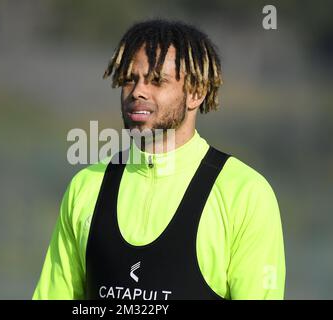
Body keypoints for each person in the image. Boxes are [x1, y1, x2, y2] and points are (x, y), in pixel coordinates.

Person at [33, 19, 285, 300]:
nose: (138, 91)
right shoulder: (86, 187)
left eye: (156, 81)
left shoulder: (244, 194)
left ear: (196, 93)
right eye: (130, 79)